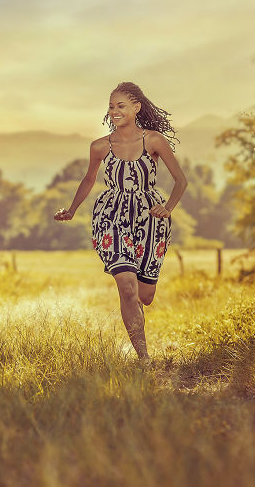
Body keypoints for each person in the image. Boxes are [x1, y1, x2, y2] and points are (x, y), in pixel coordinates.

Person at [54, 81, 187, 361]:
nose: (114, 111)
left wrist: (168, 207)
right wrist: (72, 209)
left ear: (136, 107)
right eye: (111, 106)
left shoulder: (153, 140)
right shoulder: (100, 146)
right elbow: (89, 179)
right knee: (127, 287)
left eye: (121, 106)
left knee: (145, 296)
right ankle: (144, 359)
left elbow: (181, 180)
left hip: (149, 218)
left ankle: (135, 314)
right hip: (111, 216)